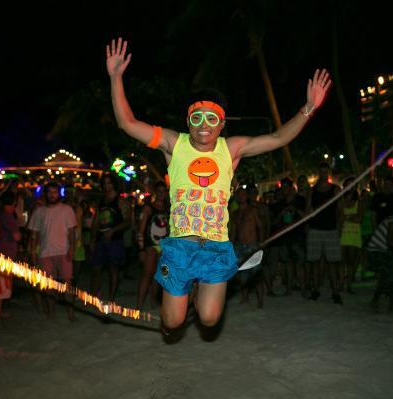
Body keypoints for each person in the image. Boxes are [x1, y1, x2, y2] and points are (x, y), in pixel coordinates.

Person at [106, 37, 331, 336]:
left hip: (215, 247)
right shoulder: (174, 143)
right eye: (197, 116)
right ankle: (186, 288)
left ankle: (204, 285)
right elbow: (127, 123)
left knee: (210, 319)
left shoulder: (231, 148)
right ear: (188, 121)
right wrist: (116, 77)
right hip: (179, 247)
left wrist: (308, 108)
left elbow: (278, 138)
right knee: (172, 323)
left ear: (222, 123)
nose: (204, 123)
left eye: (212, 118)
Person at [28, 182, 77, 321]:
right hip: (45, 253)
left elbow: (72, 232)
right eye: (49, 192)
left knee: (67, 284)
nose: (52, 195)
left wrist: (72, 249)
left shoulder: (67, 209)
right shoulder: (39, 211)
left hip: (63, 251)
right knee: (48, 286)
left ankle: (71, 313)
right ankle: (51, 312)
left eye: (55, 192)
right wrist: (32, 252)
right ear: (45, 194)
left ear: (59, 193)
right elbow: (34, 234)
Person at [90, 173, 132, 301]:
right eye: (105, 183)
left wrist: (113, 231)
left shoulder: (120, 201)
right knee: (96, 269)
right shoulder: (101, 201)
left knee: (113, 271)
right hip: (100, 240)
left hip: (115, 241)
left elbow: (128, 221)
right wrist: (92, 240)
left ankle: (111, 299)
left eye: (109, 183)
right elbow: (96, 221)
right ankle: (95, 297)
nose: (107, 186)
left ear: (114, 184)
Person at [306, 162, 343, 303]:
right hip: (315, 229)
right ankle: (316, 290)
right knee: (315, 262)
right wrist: (307, 226)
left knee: (333, 263)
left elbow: (341, 211)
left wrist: (339, 229)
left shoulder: (335, 189)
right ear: (318, 173)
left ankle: (335, 292)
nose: (323, 174)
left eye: (325, 171)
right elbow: (308, 210)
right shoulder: (312, 190)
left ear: (328, 173)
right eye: (321, 171)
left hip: (331, 230)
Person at [268, 178, 307, 296]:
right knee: (288, 264)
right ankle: (289, 289)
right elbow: (273, 223)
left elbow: (307, 216)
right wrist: (282, 213)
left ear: (291, 187)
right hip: (285, 237)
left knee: (300, 264)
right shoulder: (280, 204)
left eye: (286, 187)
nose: (285, 190)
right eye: (283, 187)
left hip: (298, 236)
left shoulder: (300, 200)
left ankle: (303, 289)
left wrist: (296, 210)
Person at [136, 181, 170, 310]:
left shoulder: (168, 208)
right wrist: (141, 249)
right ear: (156, 192)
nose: (161, 193)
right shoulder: (148, 207)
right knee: (147, 274)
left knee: (159, 275)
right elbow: (141, 229)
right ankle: (139, 305)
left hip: (163, 246)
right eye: (159, 191)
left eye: (164, 191)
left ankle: (153, 302)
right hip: (150, 245)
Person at [230, 187, 264, 307]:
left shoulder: (253, 210)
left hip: (252, 244)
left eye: (244, 194)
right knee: (242, 272)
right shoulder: (235, 214)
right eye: (239, 194)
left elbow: (260, 226)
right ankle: (245, 297)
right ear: (236, 197)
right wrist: (231, 246)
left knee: (255, 272)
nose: (241, 196)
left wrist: (261, 243)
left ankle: (260, 300)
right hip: (239, 245)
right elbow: (234, 231)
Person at [0, 191, 21, 326]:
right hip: (5, 254)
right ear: (14, 203)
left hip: (0, 252)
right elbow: (16, 236)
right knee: (0, 286)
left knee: (2, 285)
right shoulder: (8, 217)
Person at [339, 177, 363, 294]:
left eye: (353, 185)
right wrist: (351, 217)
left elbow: (359, 219)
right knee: (342, 260)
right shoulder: (341, 200)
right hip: (343, 233)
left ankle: (348, 284)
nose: (351, 188)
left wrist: (347, 218)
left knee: (351, 261)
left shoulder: (359, 201)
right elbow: (339, 217)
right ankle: (342, 284)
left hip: (354, 234)